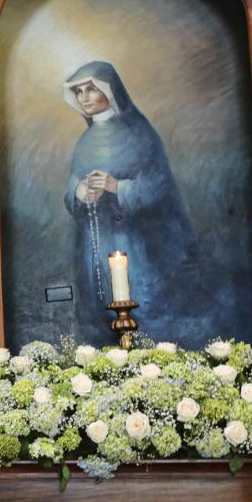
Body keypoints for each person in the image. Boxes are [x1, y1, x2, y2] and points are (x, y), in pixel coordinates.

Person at [62, 61, 197, 343]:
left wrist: (116, 187)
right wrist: (81, 192)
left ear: (110, 91)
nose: (84, 97)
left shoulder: (140, 134)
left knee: (145, 311)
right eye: (78, 91)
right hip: (96, 246)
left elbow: (159, 186)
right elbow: (72, 188)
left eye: (91, 89)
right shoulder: (84, 142)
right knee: (99, 317)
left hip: (138, 247)